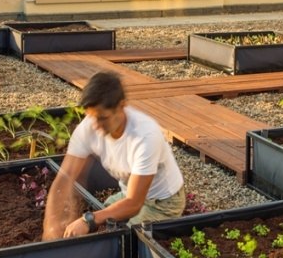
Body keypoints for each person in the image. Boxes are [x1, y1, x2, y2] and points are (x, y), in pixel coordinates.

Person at [42, 71, 185, 239]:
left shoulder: (144, 136)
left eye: (103, 118)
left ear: (121, 106)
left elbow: (134, 203)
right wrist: (51, 228)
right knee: (104, 219)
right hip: (128, 193)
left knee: (123, 238)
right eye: (91, 116)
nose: (96, 125)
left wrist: (88, 220)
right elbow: (64, 178)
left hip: (161, 203)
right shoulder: (89, 127)